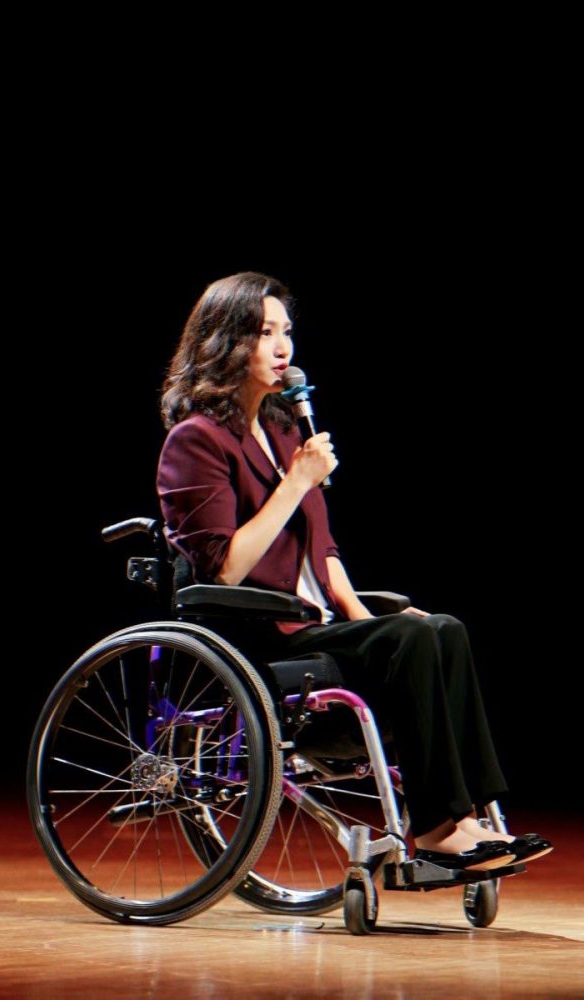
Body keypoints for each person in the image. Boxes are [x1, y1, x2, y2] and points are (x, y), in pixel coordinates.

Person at [156, 271, 552, 872]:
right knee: (413, 637)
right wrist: (297, 482)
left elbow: (324, 551)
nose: (283, 348)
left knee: (441, 628)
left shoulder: (284, 432)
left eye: (286, 331)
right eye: (265, 333)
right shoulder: (197, 441)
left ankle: (471, 819)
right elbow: (226, 568)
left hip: (314, 624)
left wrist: (366, 621)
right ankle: (437, 830)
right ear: (225, 342)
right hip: (256, 632)